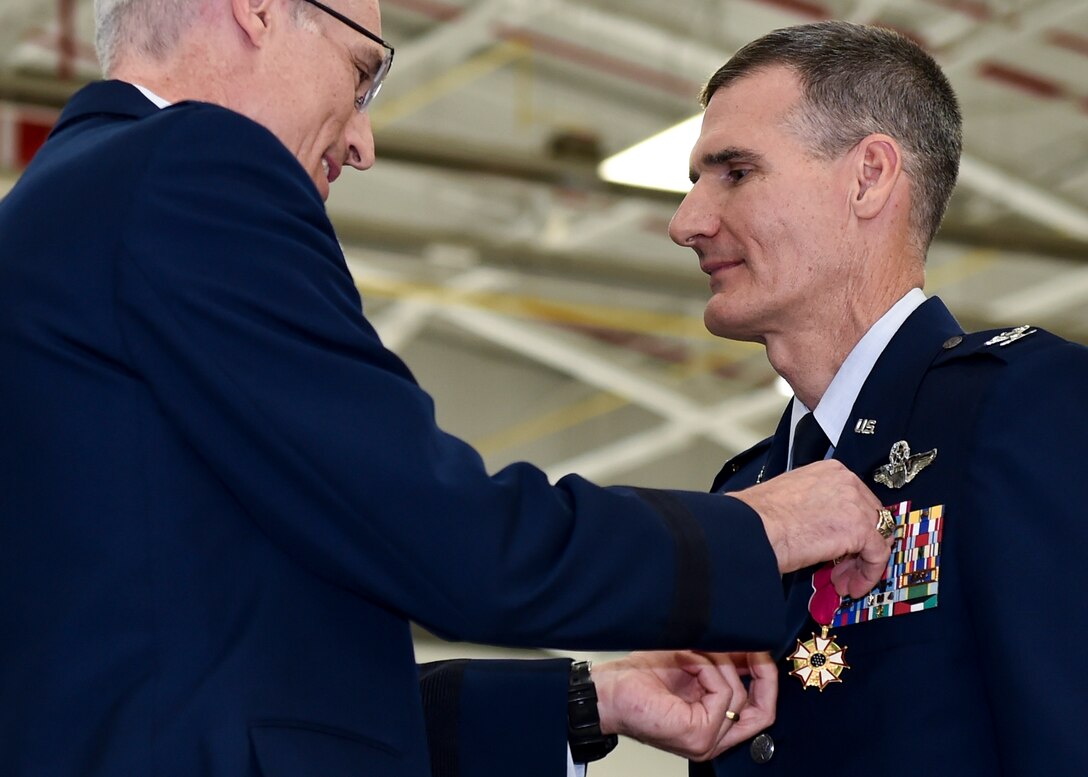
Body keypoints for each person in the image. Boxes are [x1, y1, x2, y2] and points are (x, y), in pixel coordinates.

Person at [0, 3, 896, 776]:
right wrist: (761, 528)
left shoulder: (64, 215)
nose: (362, 139)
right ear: (260, 9)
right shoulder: (191, 169)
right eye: (361, 74)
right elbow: (451, 538)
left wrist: (588, 701)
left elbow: (246, 680)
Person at [669, 20, 1088, 776]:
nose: (687, 222)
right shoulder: (744, 491)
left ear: (868, 177)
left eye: (734, 173)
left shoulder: (1024, 407)